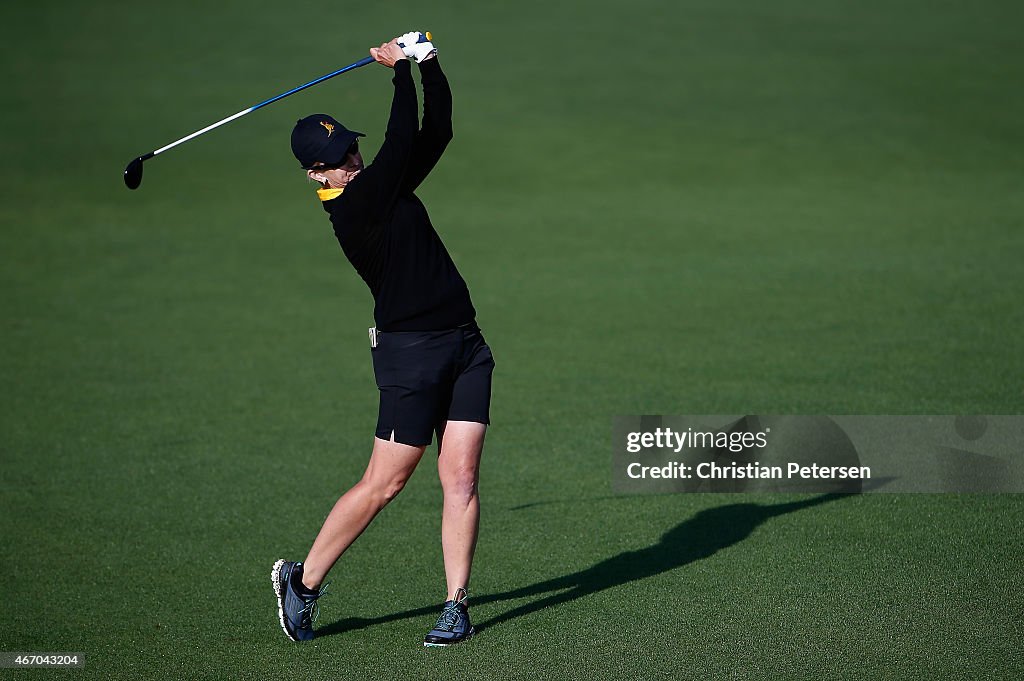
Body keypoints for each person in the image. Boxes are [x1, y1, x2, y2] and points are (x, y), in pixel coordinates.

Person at [272, 33, 494, 647]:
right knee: (386, 483)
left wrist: (429, 63)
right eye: (340, 157)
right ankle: (305, 581)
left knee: (462, 478)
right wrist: (398, 73)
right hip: (410, 357)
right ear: (318, 174)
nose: (353, 159)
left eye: (350, 148)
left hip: (466, 344)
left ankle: (456, 604)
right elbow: (400, 141)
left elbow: (437, 130)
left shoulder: (379, 185)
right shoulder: (352, 207)